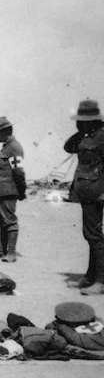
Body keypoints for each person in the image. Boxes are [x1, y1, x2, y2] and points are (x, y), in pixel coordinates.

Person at [65, 99, 104, 295]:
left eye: (82, 121)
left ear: (92, 120)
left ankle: (100, 281)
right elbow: (69, 147)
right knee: (91, 235)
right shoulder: (89, 136)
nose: (79, 124)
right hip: (88, 192)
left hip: (97, 192)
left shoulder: (102, 137)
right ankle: (90, 276)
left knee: (95, 236)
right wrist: (81, 130)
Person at [0, 116, 26, 263]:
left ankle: (11, 253)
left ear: (6, 132)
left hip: (9, 189)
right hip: (1, 189)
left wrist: (22, 190)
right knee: (1, 219)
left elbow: (19, 172)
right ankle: (2, 250)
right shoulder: (6, 146)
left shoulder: (14, 148)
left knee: (9, 220)